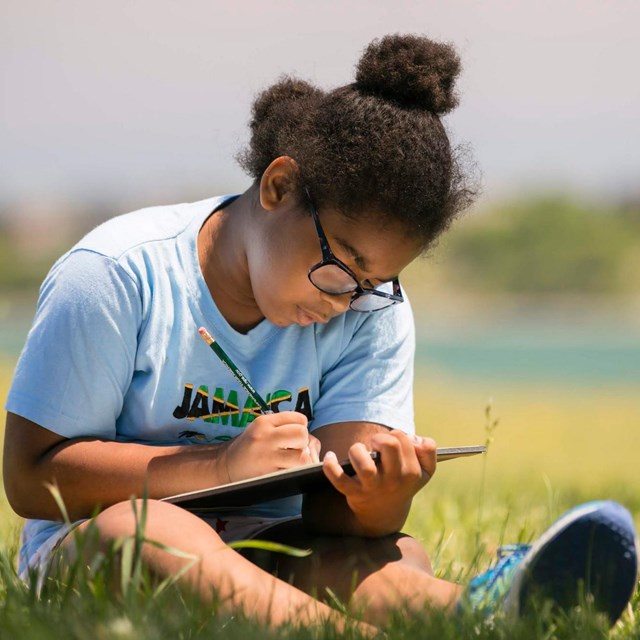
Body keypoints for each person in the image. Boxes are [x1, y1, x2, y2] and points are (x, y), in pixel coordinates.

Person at [3, 34, 637, 633]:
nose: (346, 304)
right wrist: (218, 466)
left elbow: (335, 518)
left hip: (274, 553)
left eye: (374, 283)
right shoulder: (118, 274)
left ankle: (487, 616)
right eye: (340, 269)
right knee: (149, 535)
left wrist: (380, 499)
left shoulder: (372, 309)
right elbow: (30, 477)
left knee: (391, 560)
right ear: (279, 187)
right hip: (101, 550)